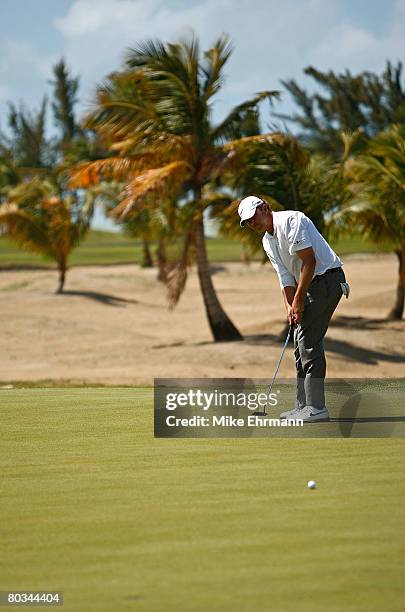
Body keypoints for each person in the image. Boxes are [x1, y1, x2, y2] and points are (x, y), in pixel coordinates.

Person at [238, 195, 348, 422]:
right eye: (247, 222)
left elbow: (310, 262)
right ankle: (303, 406)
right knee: (299, 343)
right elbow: (285, 276)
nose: (252, 224)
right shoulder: (267, 241)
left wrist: (298, 301)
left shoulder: (291, 221)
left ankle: (316, 408)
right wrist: (289, 306)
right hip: (309, 286)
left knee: (308, 342)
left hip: (327, 280)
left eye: (253, 217)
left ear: (265, 208)